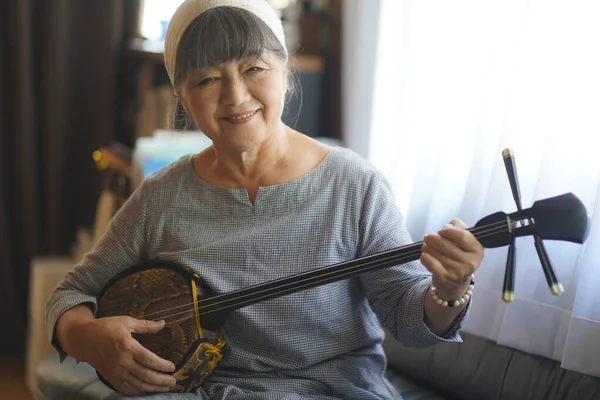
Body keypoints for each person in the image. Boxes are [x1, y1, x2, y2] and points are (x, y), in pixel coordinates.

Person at [46, 1, 485, 399]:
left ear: (285, 68)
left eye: (254, 68)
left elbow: (411, 322)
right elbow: (71, 294)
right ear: (182, 96)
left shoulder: (354, 184)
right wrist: (89, 340)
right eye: (208, 78)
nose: (235, 95)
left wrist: (449, 290)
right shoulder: (161, 196)